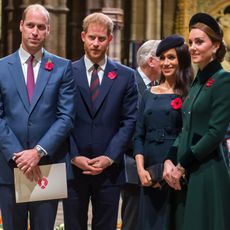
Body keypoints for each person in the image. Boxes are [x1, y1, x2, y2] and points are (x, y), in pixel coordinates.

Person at [0, 4, 76, 230]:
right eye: (30, 25)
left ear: (48, 30)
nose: (35, 31)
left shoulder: (62, 68)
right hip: (10, 167)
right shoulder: (2, 68)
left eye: (41, 27)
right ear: (21, 26)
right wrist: (19, 156)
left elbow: (66, 117)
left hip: (47, 166)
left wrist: (38, 151)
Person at [62, 12, 138, 230]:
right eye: (92, 37)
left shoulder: (125, 75)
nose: (96, 44)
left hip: (109, 170)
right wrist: (74, 155)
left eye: (101, 38)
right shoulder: (65, 72)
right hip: (74, 167)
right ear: (83, 37)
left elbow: (129, 120)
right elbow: (60, 118)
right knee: (73, 225)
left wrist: (109, 156)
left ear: (110, 40)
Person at [163, 13, 230, 230]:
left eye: (199, 42)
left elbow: (215, 132)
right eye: (190, 42)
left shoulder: (223, 80)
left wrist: (182, 166)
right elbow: (186, 128)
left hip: (206, 171)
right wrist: (169, 160)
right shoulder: (197, 81)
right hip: (184, 171)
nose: (192, 47)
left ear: (216, 46)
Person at [134, 34, 193, 230]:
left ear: (182, 60)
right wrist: (141, 170)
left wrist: (177, 169)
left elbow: (189, 134)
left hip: (175, 170)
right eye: (163, 58)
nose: (166, 63)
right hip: (149, 170)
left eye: (171, 57)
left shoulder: (189, 94)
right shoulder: (149, 94)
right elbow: (139, 134)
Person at [121, 39, 161, 230]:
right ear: (152, 61)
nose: (169, 63)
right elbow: (125, 125)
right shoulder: (128, 82)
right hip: (132, 163)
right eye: (165, 57)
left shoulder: (159, 86)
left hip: (154, 165)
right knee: (133, 221)